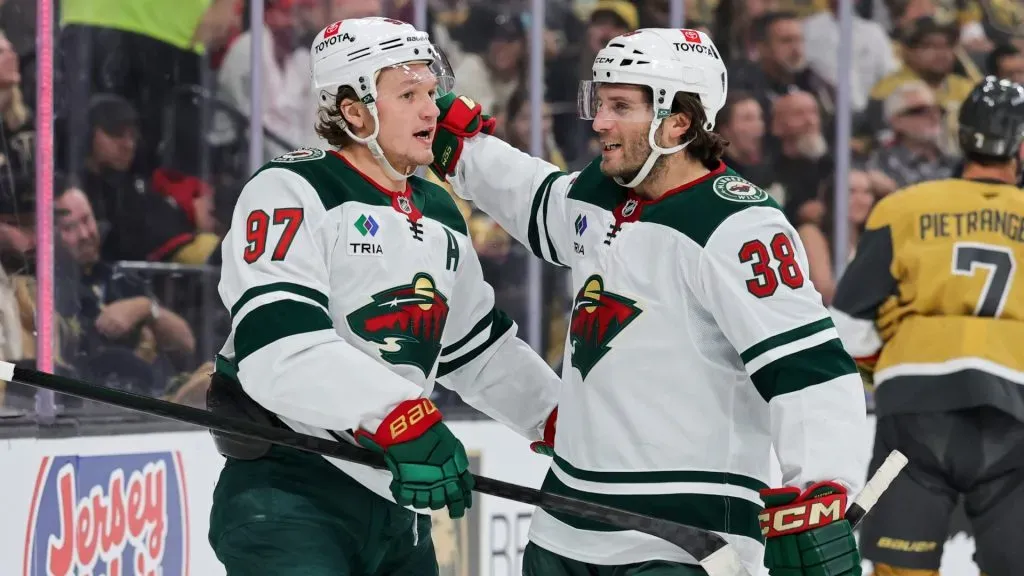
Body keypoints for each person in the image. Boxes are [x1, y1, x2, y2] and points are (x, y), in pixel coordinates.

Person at [430, 28, 868, 576]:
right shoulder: (603, 191)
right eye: (599, 101)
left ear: (678, 121)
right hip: (565, 525)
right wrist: (465, 150)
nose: (599, 121)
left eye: (620, 106)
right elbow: (538, 200)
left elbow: (807, 368)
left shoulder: (737, 227)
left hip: (683, 540)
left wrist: (821, 490)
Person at [206, 17, 560, 576]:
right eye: (409, 95)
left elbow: (477, 350)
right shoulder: (292, 190)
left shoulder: (439, 210)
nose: (431, 111)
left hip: (399, 502)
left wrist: (557, 418)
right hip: (291, 491)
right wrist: (401, 416)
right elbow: (278, 349)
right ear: (354, 111)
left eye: (431, 93)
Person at [831, 76, 1024, 576]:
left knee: (901, 568)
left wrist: (883, 360)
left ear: (959, 137)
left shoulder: (903, 207)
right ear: (1020, 146)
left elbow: (848, 328)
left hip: (914, 406)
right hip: (1016, 414)